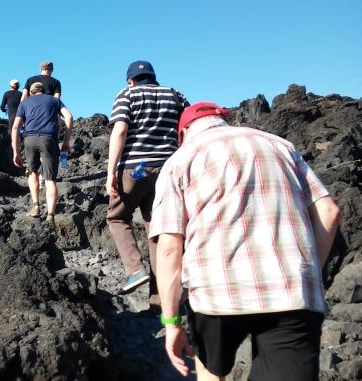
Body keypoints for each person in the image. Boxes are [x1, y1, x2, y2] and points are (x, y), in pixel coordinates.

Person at [150, 101, 341, 380]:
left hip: (215, 294)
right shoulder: (281, 145)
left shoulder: (181, 159)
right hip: (292, 291)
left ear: (183, 133)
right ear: (225, 119)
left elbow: (168, 248)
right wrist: (308, 271)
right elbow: (329, 212)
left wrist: (172, 322)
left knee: (211, 374)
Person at [105, 60, 189, 297]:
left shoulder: (127, 94)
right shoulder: (174, 94)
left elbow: (120, 130)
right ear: (153, 77)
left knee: (117, 217)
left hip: (135, 168)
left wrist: (111, 172)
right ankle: (160, 300)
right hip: (169, 170)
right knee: (157, 230)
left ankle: (135, 269)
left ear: (130, 80)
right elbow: (187, 129)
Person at [11, 82, 73, 222]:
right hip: (49, 139)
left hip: (30, 139)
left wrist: (16, 151)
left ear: (32, 92)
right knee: (50, 179)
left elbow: (15, 128)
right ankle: (50, 215)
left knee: (32, 172)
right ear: (43, 91)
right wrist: (66, 142)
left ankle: (36, 207)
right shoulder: (54, 100)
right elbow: (68, 117)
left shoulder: (25, 103)